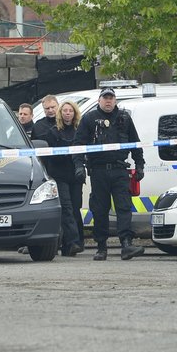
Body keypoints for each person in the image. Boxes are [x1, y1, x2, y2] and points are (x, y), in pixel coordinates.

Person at [72, 87, 145, 260]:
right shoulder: (89, 119)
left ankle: (126, 244)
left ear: (115, 100)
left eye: (111, 98)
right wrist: (79, 165)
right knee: (100, 209)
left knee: (124, 207)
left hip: (120, 170)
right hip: (99, 171)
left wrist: (140, 164)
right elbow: (78, 144)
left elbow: (135, 143)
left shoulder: (124, 118)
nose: (108, 101)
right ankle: (101, 247)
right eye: (105, 98)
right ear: (99, 100)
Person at [45, 100, 86, 256]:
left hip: (75, 175)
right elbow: (49, 156)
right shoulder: (53, 132)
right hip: (59, 174)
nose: (67, 113)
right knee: (67, 209)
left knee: (76, 208)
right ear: (60, 113)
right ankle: (72, 241)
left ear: (74, 113)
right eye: (65, 111)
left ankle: (76, 243)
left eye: (70, 111)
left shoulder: (79, 131)